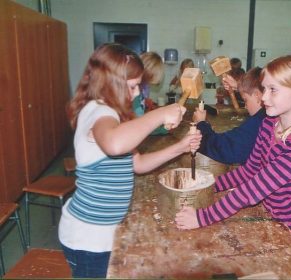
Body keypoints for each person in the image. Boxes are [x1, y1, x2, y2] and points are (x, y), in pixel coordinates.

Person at [58, 43, 202, 278]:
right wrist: (160, 113)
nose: (137, 93)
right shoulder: (98, 112)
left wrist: (180, 148)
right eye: (133, 86)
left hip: (103, 234)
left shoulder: (114, 115)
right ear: (111, 83)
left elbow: (137, 163)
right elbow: (114, 145)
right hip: (87, 238)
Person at [176, 54, 291, 253]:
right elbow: (249, 171)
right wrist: (208, 187)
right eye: (264, 89)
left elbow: (251, 191)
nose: (263, 97)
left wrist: (202, 218)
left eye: (273, 90)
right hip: (270, 217)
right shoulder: (268, 125)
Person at [193, 67, 266, 165]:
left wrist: (201, 124)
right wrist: (239, 86)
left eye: (245, 100)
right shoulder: (267, 114)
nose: (245, 106)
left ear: (257, 95)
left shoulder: (259, 122)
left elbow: (224, 148)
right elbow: (252, 93)